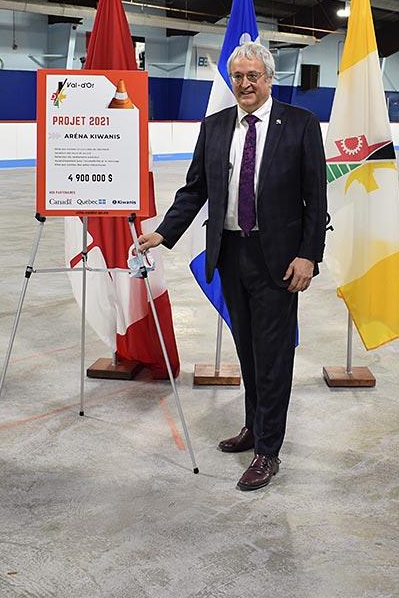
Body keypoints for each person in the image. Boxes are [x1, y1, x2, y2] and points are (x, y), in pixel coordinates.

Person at [136, 41, 326, 491]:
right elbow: (194, 188)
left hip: (279, 260)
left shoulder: (299, 125)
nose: (244, 84)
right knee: (247, 349)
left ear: (269, 78)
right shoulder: (217, 126)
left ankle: (268, 450)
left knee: (274, 356)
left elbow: (316, 199)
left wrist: (309, 255)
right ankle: (253, 426)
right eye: (237, 77)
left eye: (252, 76)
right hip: (231, 254)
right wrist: (165, 232)